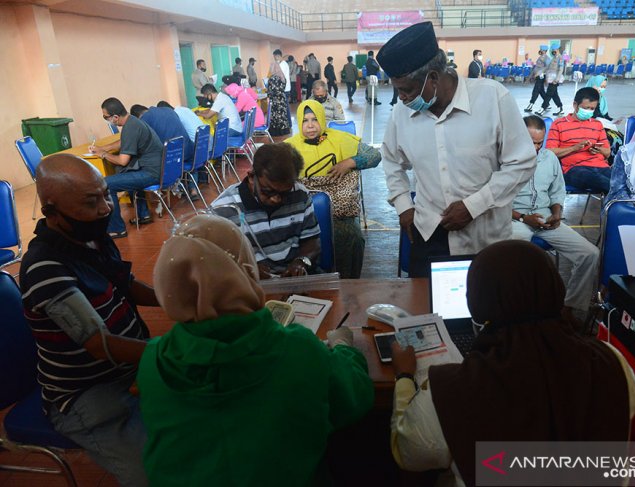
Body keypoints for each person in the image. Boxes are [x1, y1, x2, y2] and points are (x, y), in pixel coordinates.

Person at [138, 214, 373, 486]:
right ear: (246, 272)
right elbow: (355, 397)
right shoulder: (297, 349)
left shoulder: (153, 362)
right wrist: (345, 348)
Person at [389, 240, 635, 487]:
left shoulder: (452, 391)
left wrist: (404, 378)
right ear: (555, 287)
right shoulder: (611, 362)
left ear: (476, 304)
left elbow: (410, 454)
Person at [20, 154, 158, 487]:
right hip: (85, 393)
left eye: (104, 195)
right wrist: (169, 351)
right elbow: (99, 343)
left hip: (129, 369)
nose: (105, 208)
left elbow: (127, 284)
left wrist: (183, 299)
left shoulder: (91, 238)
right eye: (91, 202)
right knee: (155, 474)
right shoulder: (44, 267)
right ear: (51, 210)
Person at [379, 22, 536, 277]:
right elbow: (391, 160)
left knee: (485, 312)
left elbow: (522, 162)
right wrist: (403, 204)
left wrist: (473, 205)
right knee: (426, 311)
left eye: (407, 90)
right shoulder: (401, 114)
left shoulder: (492, 98)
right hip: (429, 234)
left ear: (433, 78)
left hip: (485, 239)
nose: (403, 99)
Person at [512, 116, 599, 315]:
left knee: (590, 254)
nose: (535, 148)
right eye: (530, 142)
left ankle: (570, 308)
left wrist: (557, 213)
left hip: (545, 218)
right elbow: (495, 202)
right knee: (516, 259)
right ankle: (519, 310)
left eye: (539, 143)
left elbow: (557, 191)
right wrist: (524, 218)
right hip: (515, 219)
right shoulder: (504, 160)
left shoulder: (549, 158)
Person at [286, 100, 381, 278]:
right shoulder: (289, 147)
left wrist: (350, 162)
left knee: (351, 236)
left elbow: (375, 156)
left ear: (322, 119)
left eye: (314, 119)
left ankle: (347, 282)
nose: (310, 125)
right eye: (305, 121)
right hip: (302, 216)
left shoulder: (340, 139)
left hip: (340, 214)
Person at [211, 143, 320, 277]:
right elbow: (214, 261)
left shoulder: (300, 194)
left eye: (285, 193)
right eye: (268, 191)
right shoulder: (223, 210)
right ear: (252, 177)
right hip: (247, 284)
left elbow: (312, 242)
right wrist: (246, 270)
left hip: (294, 280)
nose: (276, 199)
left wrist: (301, 262)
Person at [90, 98, 162, 238]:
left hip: (151, 173)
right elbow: (123, 142)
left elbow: (123, 161)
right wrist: (102, 148)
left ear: (115, 117)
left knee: (106, 184)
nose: (106, 119)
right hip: (157, 168)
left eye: (106, 117)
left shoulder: (130, 127)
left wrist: (103, 154)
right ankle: (143, 215)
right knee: (126, 172)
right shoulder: (133, 121)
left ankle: (117, 228)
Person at [546, 87, 611, 193]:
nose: (589, 111)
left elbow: (607, 153)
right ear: (575, 105)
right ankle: (619, 205)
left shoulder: (597, 124)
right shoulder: (559, 124)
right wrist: (574, 148)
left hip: (600, 166)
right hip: (574, 169)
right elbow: (549, 152)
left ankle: (618, 204)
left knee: (619, 180)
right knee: (605, 182)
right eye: (586, 108)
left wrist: (598, 149)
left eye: (592, 109)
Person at [129, 104, 194, 166]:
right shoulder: (168, 110)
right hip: (191, 152)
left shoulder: (144, 119)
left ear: (137, 118)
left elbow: (136, 142)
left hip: (175, 159)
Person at [535, 49, 564, 116]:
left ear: (557, 49)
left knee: (548, 93)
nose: (553, 51)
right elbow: (547, 67)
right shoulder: (554, 57)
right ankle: (560, 108)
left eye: (554, 50)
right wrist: (539, 72)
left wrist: (557, 79)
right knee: (554, 94)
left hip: (555, 79)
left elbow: (561, 69)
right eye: (552, 50)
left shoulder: (560, 58)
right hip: (551, 78)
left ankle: (543, 108)